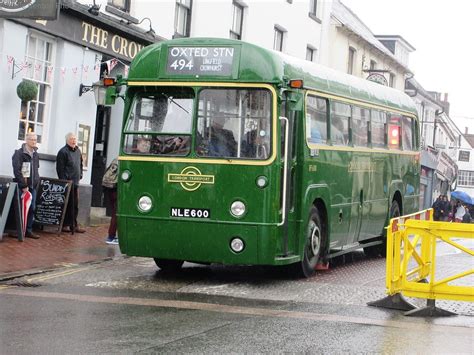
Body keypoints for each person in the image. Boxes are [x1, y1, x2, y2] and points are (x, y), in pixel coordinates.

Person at [11, 132, 40, 239]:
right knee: (19, 208)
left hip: (33, 186)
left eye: (35, 140)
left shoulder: (36, 154)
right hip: (21, 186)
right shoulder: (19, 153)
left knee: (32, 208)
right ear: (26, 140)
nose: (34, 141)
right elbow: (17, 171)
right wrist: (23, 185)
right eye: (32, 139)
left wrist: (37, 181)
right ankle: (17, 230)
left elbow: (36, 169)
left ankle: (28, 230)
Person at [56, 132, 85, 233]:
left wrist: (81, 174)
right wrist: (65, 181)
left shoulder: (78, 151)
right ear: (67, 140)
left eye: (75, 139)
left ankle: (74, 225)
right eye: (72, 139)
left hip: (76, 182)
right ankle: (65, 225)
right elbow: (60, 169)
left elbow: (80, 164)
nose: (74, 141)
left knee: (75, 205)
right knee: (67, 205)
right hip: (67, 183)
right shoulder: (63, 152)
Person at [102, 158, 118, 245]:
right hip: (115, 189)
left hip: (109, 188)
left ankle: (112, 236)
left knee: (114, 213)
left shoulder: (116, 160)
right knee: (116, 213)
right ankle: (111, 237)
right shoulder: (123, 160)